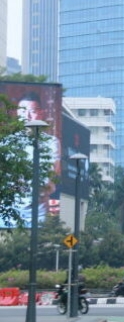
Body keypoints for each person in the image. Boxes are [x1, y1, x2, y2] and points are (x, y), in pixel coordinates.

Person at [15, 91, 60, 225]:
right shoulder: (7, 143)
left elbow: (47, 176)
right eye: (23, 111)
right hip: (10, 212)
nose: (27, 116)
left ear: (41, 113)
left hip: (38, 212)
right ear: (17, 113)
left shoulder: (51, 142)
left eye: (32, 111)